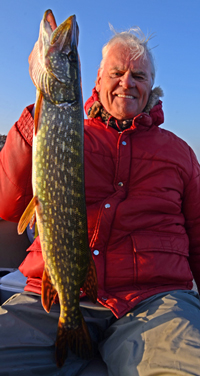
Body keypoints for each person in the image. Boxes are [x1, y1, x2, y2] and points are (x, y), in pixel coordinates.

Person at [0, 25, 200, 376]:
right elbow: (8, 204)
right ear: (97, 78)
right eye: (117, 73)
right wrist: (37, 116)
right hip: (53, 296)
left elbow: (199, 236)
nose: (127, 82)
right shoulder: (62, 129)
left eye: (138, 75)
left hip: (155, 301)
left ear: (151, 85)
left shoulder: (180, 153)